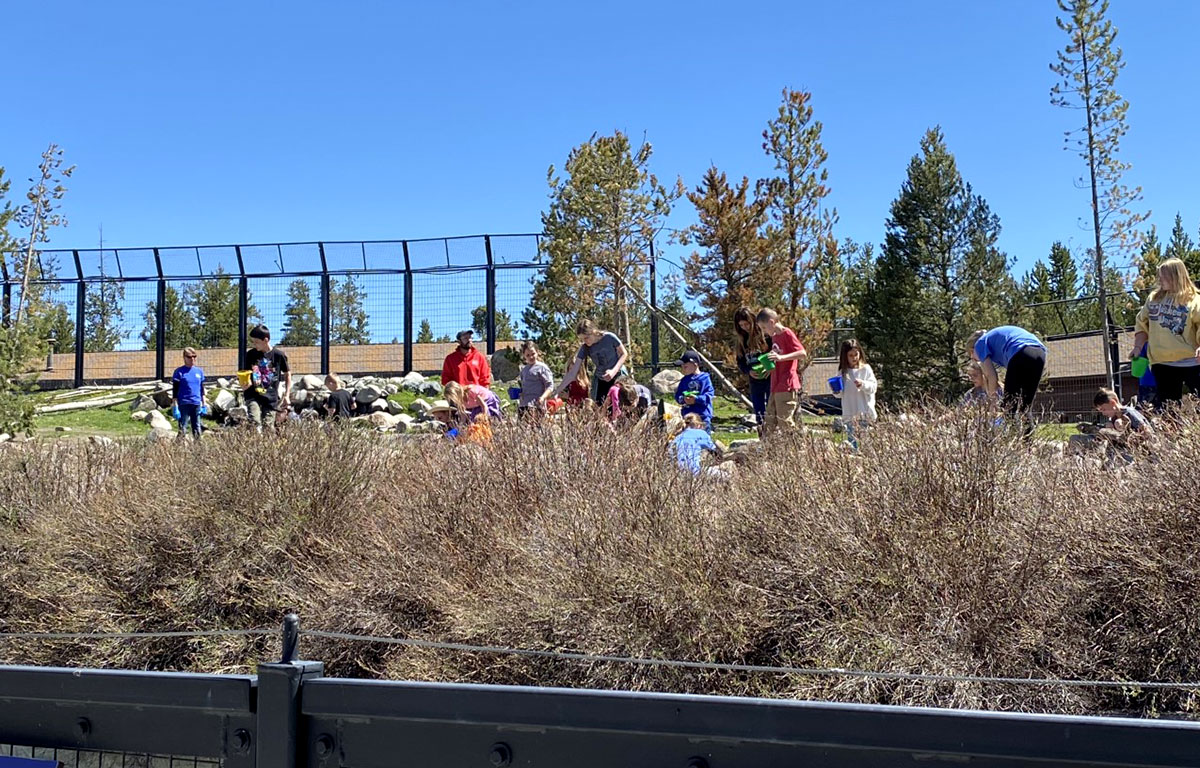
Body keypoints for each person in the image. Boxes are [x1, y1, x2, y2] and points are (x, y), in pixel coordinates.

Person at [1131, 258, 1200, 409]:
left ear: (1177, 276)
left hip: (1192, 361)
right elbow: (1142, 324)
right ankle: (1173, 433)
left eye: (1164, 276)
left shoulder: (1194, 300)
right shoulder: (1154, 299)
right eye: (1159, 276)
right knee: (1169, 408)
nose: (1159, 279)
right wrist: (1137, 348)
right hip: (1162, 363)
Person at [967, 326, 1047, 429]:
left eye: (971, 354)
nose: (973, 358)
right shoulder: (994, 343)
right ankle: (1027, 442)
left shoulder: (980, 343)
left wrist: (993, 403)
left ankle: (1010, 441)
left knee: (1009, 406)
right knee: (1025, 407)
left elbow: (991, 376)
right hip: (1039, 352)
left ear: (973, 348)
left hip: (1020, 352)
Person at [553, 319, 628, 405]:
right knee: (602, 408)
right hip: (602, 378)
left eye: (586, 338)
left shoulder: (609, 337)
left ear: (593, 331)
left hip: (618, 374)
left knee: (622, 403)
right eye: (582, 339)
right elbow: (573, 372)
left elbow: (624, 353)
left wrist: (613, 371)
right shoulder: (585, 348)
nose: (585, 341)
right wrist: (557, 391)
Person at [756, 309, 807, 435]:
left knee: (784, 421)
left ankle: (796, 447)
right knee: (769, 421)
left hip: (787, 384)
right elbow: (778, 355)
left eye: (764, 327)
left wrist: (781, 358)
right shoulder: (775, 337)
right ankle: (771, 450)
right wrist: (769, 366)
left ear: (772, 322)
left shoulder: (787, 333)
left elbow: (802, 353)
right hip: (775, 384)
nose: (764, 332)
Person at [243, 325, 291, 430]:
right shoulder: (250, 354)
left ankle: (268, 445)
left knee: (268, 427)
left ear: (265, 340)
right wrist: (245, 383)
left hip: (270, 397)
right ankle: (253, 443)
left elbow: (288, 374)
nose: (254, 345)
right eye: (253, 342)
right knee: (255, 422)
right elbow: (245, 372)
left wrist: (287, 395)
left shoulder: (278, 355)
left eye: (256, 342)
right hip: (253, 394)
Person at [1091, 388, 1153, 466]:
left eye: (1104, 409)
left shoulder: (1128, 412)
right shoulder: (1113, 418)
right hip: (1122, 452)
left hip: (1138, 451)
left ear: (1113, 403)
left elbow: (1146, 430)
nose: (1103, 413)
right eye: (1101, 411)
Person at [734, 306, 772, 431]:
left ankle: (776, 439)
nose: (745, 327)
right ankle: (763, 438)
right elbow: (740, 362)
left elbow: (775, 353)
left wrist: (769, 368)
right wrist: (748, 371)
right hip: (754, 381)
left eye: (747, 324)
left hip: (769, 379)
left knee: (772, 409)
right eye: (741, 325)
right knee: (759, 413)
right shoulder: (741, 341)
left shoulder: (766, 336)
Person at [835, 339, 877, 451]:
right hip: (850, 414)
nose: (854, 358)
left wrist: (863, 384)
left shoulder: (865, 369)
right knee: (853, 443)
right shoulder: (843, 372)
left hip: (864, 413)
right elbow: (840, 394)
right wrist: (836, 391)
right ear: (845, 356)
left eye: (856, 354)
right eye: (850, 355)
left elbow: (873, 387)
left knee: (866, 443)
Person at [674, 350, 715, 431]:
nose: (683, 369)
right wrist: (683, 399)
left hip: (702, 416)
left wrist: (696, 399)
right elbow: (678, 395)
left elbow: (709, 395)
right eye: (682, 367)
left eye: (685, 367)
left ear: (695, 364)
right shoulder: (684, 380)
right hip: (688, 416)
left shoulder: (705, 379)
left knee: (702, 437)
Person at [171, 347, 206, 440]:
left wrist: (204, 405)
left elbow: (201, 390)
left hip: (196, 403)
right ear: (184, 357)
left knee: (197, 429)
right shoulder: (179, 372)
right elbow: (175, 391)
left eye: (194, 357)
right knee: (183, 428)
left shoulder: (199, 372)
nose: (192, 359)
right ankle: (178, 449)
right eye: (189, 357)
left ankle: (198, 450)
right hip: (184, 404)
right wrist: (175, 407)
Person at [517, 340, 554, 417]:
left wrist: (543, 397)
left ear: (537, 352)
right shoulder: (524, 370)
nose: (531, 357)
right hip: (523, 405)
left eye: (533, 354)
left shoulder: (542, 368)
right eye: (528, 355)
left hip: (537, 405)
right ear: (524, 356)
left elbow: (550, 386)